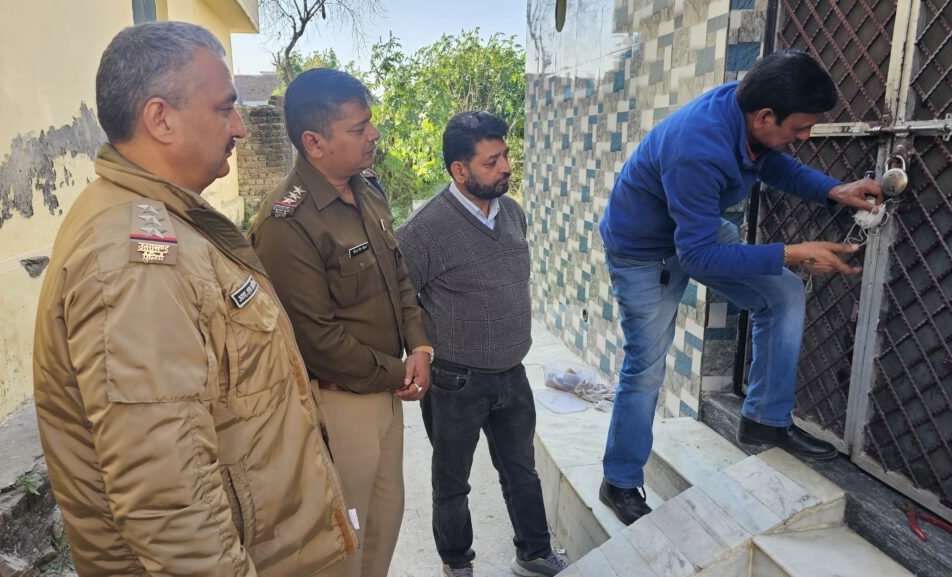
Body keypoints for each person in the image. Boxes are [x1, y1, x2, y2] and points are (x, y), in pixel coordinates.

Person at [33, 22, 355, 577]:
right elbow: (168, 498)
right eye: (225, 108)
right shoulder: (136, 262)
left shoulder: (163, 219)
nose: (240, 128)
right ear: (161, 119)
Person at [597, 49, 883, 526]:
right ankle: (620, 481)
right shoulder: (696, 146)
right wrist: (792, 252)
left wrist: (832, 190)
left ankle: (765, 420)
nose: (804, 137)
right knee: (646, 367)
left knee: (783, 293)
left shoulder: (745, 110)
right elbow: (697, 257)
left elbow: (772, 163)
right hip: (644, 253)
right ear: (766, 116)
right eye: (799, 128)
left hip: (694, 231)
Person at [249, 68, 432, 577]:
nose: (374, 134)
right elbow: (318, 341)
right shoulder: (287, 223)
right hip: (338, 405)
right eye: (358, 128)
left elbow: (398, 275)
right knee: (341, 543)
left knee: (384, 523)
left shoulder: (366, 189)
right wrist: (399, 373)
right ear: (314, 142)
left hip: (386, 393)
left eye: (369, 122)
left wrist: (420, 346)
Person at [397, 111, 568, 577]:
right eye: (492, 162)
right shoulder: (424, 230)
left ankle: (533, 554)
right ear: (459, 170)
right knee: (452, 481)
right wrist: (418, 353)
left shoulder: (512, 213)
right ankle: (457, 563)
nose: (506, 167)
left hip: (513, 374)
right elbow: (400, 299)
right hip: (455, 381)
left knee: (522, 471)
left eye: (506, 156)